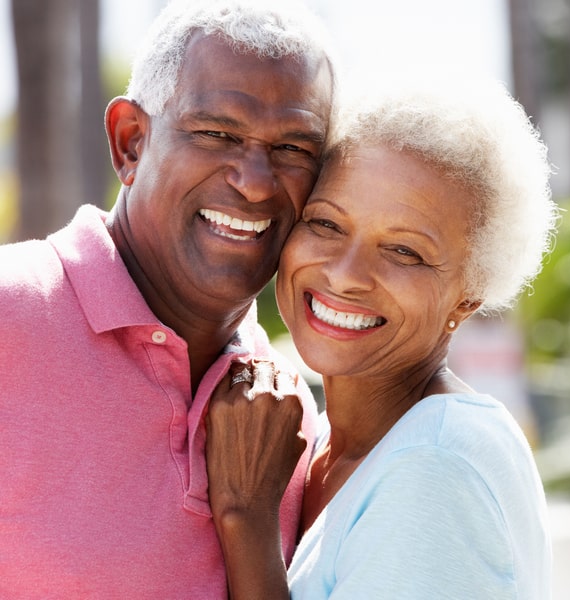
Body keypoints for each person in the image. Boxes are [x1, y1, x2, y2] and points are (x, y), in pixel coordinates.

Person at [0, 0, 337, 597]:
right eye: (216, 133)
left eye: (293, 149)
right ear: (130, 142)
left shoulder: (289, 410)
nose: (256, 181)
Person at [206, 77, 559, 599]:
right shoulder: (334, 439)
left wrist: (247, 520)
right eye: (325, 224)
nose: (347, 274)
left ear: (469, 296)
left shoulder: (435, 468)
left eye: (404, 253)